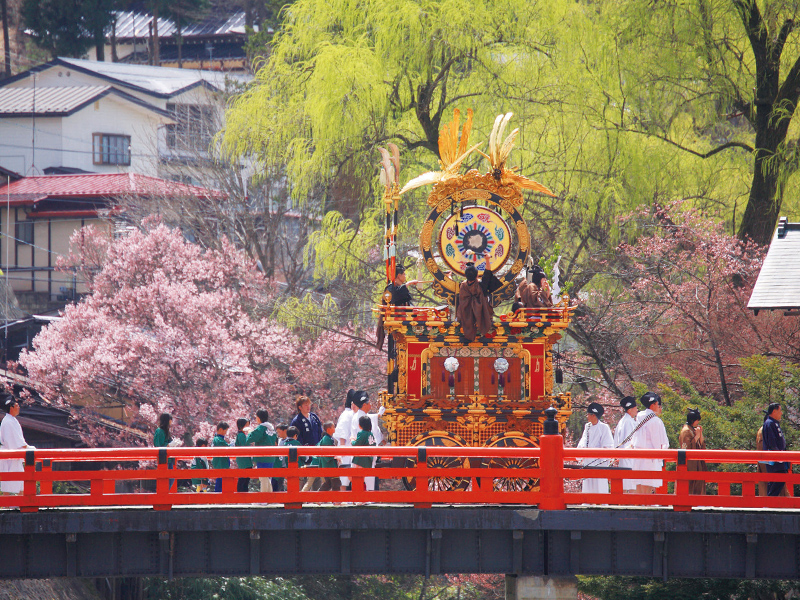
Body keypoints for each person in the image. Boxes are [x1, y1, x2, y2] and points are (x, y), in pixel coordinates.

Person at [631, 392, 669, 494]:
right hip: (650, 456)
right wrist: (659, 458)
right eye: (657, 404)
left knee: (638, 486)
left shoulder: (639, 417)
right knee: (647, 486)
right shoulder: (656, 421)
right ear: (653, 405)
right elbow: (660, 442)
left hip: (638, 455)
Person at [577, 402, 614, 494]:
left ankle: (601, 501)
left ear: (593, 415)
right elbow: (583, 440)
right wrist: (582, 450)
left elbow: (607, 444)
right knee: (588, 486)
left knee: (600, 485)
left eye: (589, 414)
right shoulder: (587, 426)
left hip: (599, 461)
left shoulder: (604, 427)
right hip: (588, 460)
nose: (587, 416)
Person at [456, 263, 498, 342]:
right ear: (477, 275)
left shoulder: (462, 286)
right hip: (483, 318)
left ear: (465, 276)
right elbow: (487, 273)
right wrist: (487, 260)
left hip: (465, 320)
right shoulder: (482, 285)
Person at [0, 394, 32, 496]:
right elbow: (14, 441)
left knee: (19, 483)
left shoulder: (11, 420)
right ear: (11, 408)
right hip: (9, 455)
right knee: (9, 484)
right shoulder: (8, 422)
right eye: (17, 405)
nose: (19, 407)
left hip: (13, 456)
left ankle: (20, 502)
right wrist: (27, 448)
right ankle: (7, 504)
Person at [762, 403, 790, 497]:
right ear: (774, 411)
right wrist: (778, 456)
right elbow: (771, 442)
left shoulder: (773, 423)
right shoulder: (769, 423)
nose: (781, 413)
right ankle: (769, 501)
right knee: (779, 478)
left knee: (776, 480)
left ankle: (769, 501)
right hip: (775, 458)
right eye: (780, 411)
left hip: (779, 457)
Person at [247, 409, 277, 493]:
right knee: (267, 478)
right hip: (271, 457)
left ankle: (263, 497)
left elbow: (252, 438)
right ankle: (269, 496)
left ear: (259, 418)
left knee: (263, 477)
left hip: (262, 456)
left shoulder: (261, 428)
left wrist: (249, 432)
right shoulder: (271, 429)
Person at [678, 408, 707, 495]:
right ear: (692, 420)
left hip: (697, 463)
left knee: (698, 484)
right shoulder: (686, 431)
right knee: (690, 485)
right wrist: (696, 436)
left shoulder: (692, 429)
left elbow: (701, 446)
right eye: (697, 420)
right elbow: (687, 448)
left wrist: (700, 434)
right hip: (690, 464)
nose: (698, 422)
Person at [613, 396, 638, 493]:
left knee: (624, 484)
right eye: (635, 408)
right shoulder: (628, 422)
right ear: (630, 409)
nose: (637, 410)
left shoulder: (623, 421)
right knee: (631, 485)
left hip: (622, 456)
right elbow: (629, 442)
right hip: (629, 456)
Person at [334, 390, 356, 489]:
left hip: (351, 448)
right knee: (344, 480)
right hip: (346, 449)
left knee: (351, 478)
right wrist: (342, 450)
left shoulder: (352, 413)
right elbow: (342, 434)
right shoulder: (347, 414)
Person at [351, 415, 377, 491]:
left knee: (357, 478)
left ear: (360, 425)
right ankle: (363, 494)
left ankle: (359, 495)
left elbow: (356, 444)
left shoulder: (361, 433)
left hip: (360, 460)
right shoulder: (371, 434)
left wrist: (352, 440)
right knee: (362, 478)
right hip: (368, 459)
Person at [153, 413, 177, 491]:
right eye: (170, 419)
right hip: (164, 459)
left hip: (169, 458)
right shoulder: (160, 431)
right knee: (168, 479)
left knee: (171, 477)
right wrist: (169, 445)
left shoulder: (166, 431)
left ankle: (165, 493)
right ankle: (163, 494)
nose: (171, 421)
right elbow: (158, 445)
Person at [316, 422, 341, 492]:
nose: (334, 428)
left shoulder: (329, 438)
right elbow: (327, 453)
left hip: (329, 464)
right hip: (329, 464)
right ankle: (336, 499)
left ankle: (317, 496)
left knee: (328, 484)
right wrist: (335, 456)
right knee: (335, 483)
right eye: (333, 427)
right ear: (328, 429)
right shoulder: (326, 439)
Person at [235, 418, 253, 493]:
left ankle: (242, 494)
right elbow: (245, 446)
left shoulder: (241, 434)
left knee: (244, 478)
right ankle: (242, 494)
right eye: (247, 425)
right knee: (244, 479)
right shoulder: (242, 435)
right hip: (244, 460)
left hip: (243, 460)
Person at [212, 422, 230, 493]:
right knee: (221, 482)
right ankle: (219, 496)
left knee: (220, 482)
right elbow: (225, 446)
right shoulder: (218, 439)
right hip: (221, 463)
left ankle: (219, 496)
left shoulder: (217, 439)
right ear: (220, 429)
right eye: (225, 431)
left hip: (220, 463)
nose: (226, 433)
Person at [272, 424, 288, 492]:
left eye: (279, 432)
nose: (278, 434)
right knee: (279, 483)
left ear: (285, 431)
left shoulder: (288, 441)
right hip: (279, 465)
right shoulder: (279, 440)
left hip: (285, 465)